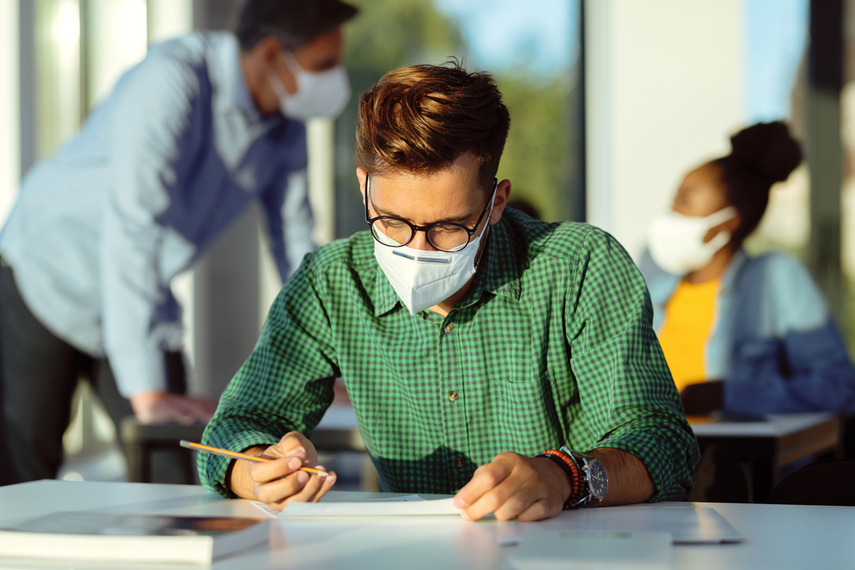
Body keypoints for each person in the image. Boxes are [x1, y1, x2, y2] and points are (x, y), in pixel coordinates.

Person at [199, 61, 699, 522]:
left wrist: (564, 476)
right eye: (391, 223)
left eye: (449, 227)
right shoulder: (331, 282)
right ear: (363, 187)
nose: (417, 250)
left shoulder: (581, 267)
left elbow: (662, 444)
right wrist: (258, 470)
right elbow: (238, 425)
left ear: (496, 202)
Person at [0, 0, 359, 485]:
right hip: (47, 271)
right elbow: (135, 227)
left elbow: (295, 241)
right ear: (274, 54)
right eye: (325, 64)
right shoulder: (174, 78)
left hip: (137, 292)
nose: (336, 79)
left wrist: (334, 359)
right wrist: (147, 392)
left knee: (176, 471)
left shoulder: (285, 124)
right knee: (25, 474)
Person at [641, 121, 855, 417]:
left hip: (730, 459)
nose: (669, 213)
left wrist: (727, 395)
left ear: (729, 220)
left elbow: (839, 386)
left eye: (684, 201)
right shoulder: (653, 282)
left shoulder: (774, 277)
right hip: (651, 456)